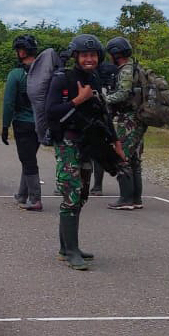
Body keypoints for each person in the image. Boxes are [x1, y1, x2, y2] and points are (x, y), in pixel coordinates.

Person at [46, 34, 127, 270]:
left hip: (87, 144)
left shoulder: (95, 79)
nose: (89, 59)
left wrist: (115, 141)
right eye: (84, 55)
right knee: (71, 194)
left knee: (81, 195)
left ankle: (67, 247)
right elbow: (51, 112)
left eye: (93, 55)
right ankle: (70, 251)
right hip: (68, 144)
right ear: (76, 57)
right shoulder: (62, 79)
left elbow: (103, 113)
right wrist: (76, 101)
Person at [104, 36, 146, 210]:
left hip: (129, 119)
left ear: (115, 54)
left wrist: (104, 98)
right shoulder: (136, 68)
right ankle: (136, 198)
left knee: (122, 156)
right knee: (134, 158)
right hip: (138, 118)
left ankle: (126, 198)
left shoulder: (126, 71)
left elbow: (123, 94)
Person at [1, 35, 42, 211]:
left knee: (28, 160)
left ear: (22, 51)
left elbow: (9, 103)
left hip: (23, 123)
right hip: (41, 123)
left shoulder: (16, 74)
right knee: (28, 158)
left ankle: (35, 198)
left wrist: (4, 125)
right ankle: (22, 194)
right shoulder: (45, 74)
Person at [90, 59, 119, 195]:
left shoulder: (92, 72)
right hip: (109, 114)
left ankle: (94, 186)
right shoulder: (112, 69)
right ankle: (97, 186)